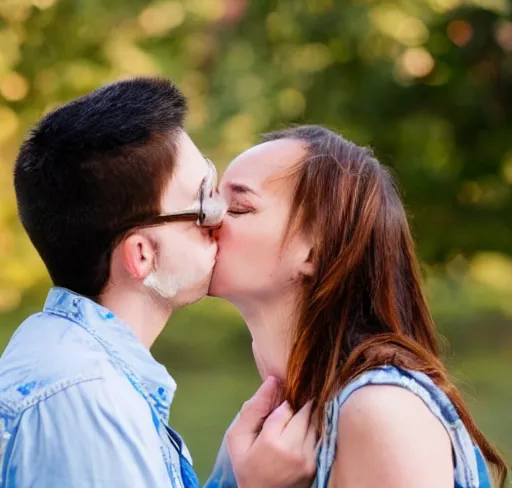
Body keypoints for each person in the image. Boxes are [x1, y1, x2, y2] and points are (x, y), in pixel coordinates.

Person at [0, 78, 316, 488]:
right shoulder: (84, 401)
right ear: (142, 256)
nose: (220, 217)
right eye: (203, 202)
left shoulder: (80, 370)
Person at [208, 125, 508, 487]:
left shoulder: (384, 413)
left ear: (315, 251)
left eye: (239, 207)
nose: (208, 216)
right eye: (212, 198)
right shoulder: (266, 430)